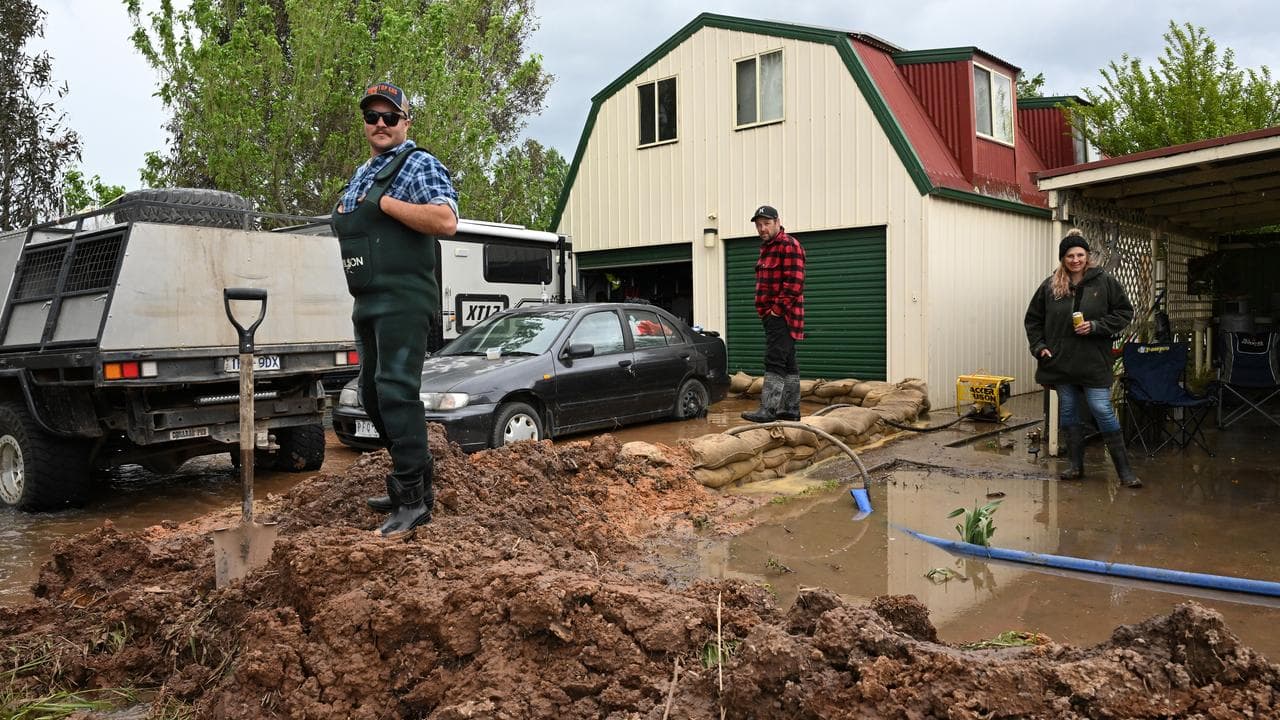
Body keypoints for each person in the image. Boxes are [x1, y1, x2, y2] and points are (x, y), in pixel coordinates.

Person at [333, 82, 459, 535]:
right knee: (370, 394)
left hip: (404, 299)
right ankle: (417, 477)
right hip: (367, 300)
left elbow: (446, 220)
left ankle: (412, 500)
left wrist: (386, 204)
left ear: (406, 121)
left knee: (395, 391)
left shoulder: (418, 163)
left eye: (390, 116)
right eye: (372, 117)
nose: (380, 124)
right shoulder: (362, 171)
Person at [1024, 229, 1140, 488]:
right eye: (1069, 255)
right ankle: (1075, 466)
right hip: (1061, 362)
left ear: (1087, 256)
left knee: (1101, 408)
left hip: (1093, 361)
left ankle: (1125, 472)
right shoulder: (1050, 285)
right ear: (1062, 258)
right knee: (1068, 410)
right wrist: (1040, 346)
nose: (1075, 259)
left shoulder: (1104, 282)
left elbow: (1124, 312)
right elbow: (1033, 319)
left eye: (1079, 254)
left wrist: (1097, 326)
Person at [742, 205, 805, 423]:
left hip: (784, 315)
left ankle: (768, 410)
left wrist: (776, 311)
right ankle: (790, 409)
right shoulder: (767, 248)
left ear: (778, 222)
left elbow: (794, 283)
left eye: (766, 224)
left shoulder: (788, 245)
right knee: (788, 362)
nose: (762, 228)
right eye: (759, 225)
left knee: (775, 360)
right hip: (772, 316)